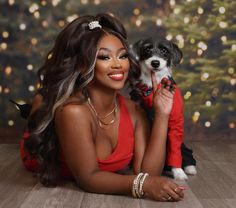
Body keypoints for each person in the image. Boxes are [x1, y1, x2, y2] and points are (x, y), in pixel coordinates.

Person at [20, 13, 185, 202]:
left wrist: (162, 114)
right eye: (105, 57)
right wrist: (143, 186)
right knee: (44, 103)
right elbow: (88, 178)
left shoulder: (133, 110)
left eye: (122, 56)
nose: (118, 65)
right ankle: (42, 104)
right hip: (40, 150)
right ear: (83, 65)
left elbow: (147, 172)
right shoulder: (73, 112)